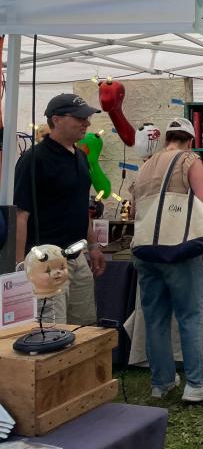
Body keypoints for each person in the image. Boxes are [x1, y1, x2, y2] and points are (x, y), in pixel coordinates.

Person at [130, 117, 203, 403]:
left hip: (146, 250)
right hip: (178, 248)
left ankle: (161, 382)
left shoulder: (145, 165)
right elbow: (201, 200)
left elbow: (136, 207)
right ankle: (196, 382)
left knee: (155, 318)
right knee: (190, 316)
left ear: (167, 137)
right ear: (190, 140)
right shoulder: (189, 159)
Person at [14, 93, 107, 325]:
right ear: (56, 120)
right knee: (53, 332)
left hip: (77, 258)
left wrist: (93, 244)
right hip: (45, 263)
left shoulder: (80, 157)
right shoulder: (34, 159)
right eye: (80, 117)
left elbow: (80, 206)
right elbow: (20, 216)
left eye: (87, 118)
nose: (86, 123)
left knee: (85, 328)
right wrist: (19, 269)